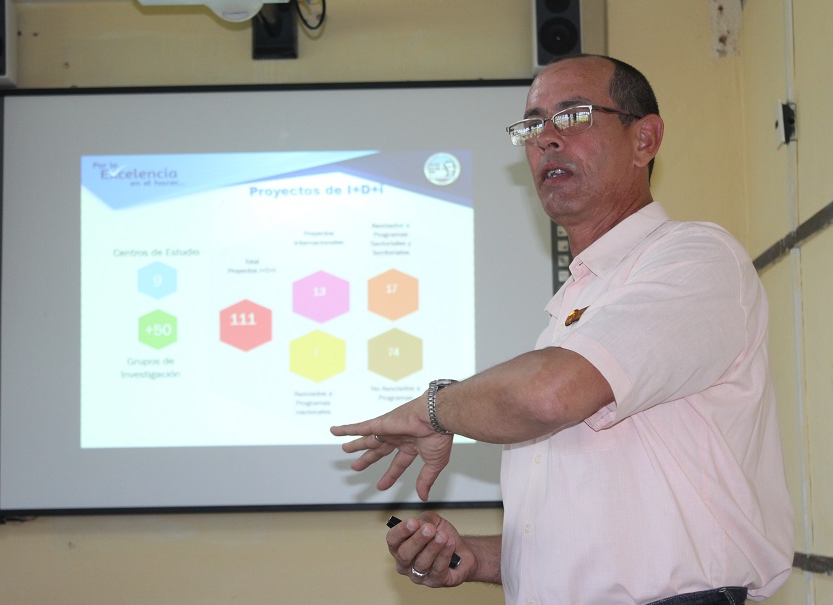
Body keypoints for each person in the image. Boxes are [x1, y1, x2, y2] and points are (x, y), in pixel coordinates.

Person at [330, 54, 794, 605]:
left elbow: (548, 395)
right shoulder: (572, 305)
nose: (547, 138)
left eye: (573, 116)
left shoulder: (695, 258)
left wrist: (434, 408)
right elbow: (604, 535)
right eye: (532, 125)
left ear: (645, 139)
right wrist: (477, 557)